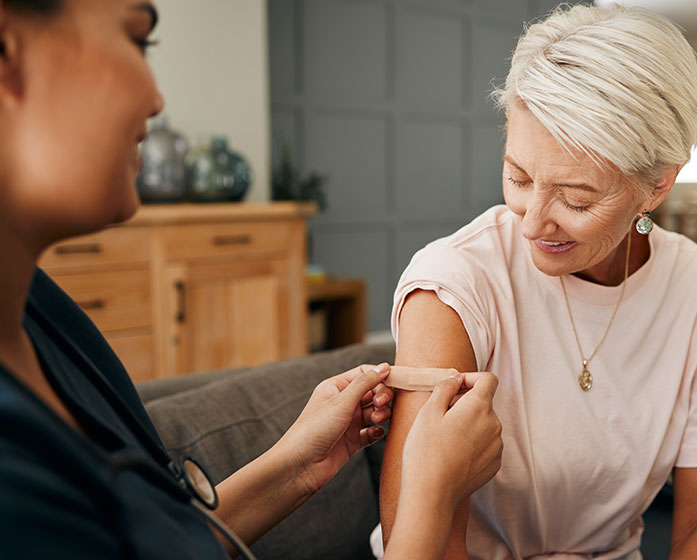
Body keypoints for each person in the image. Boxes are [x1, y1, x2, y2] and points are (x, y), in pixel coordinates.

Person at [0, 1, 502, 558]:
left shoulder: (45, 319)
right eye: (139, 40)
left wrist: (293, 470)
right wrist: (432, 495)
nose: (156, 99)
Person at [380, 4, 697, 560]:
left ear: (657, 186)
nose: (531, 224)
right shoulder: (452, 285)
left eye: (576, 199)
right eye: (518, 178)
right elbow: (421, 536)